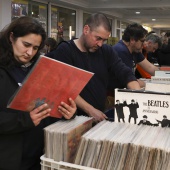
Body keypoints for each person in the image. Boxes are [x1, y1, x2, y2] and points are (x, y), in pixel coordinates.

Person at [0, 16, 77, 170]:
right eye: (26, 44)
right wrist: (24, 119)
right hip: (9, 159)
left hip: (40, 157)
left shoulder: (40, 67)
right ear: (11, 37)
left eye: (35, 48)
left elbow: (47, 107)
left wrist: (67, 112)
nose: (30, 52)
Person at [46, 13, 141, 122]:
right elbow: (66, 87)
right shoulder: (65, 51)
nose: (100, 44)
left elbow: (124, 72)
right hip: (73, 119)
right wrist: (90, 110)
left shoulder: (106, 51)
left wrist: (138, 94)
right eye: (98, 38)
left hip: (98, 116)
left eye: (104, 40)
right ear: (86, 30)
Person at [109, 23, 159, 90]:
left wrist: (164, 76)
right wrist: (145, 83)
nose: (144, 44)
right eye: (142, 41)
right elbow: (128, 79)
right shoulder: (120, 51)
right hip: (114, 94)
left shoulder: (135, 50)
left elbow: (150, 67)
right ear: (132, 40)